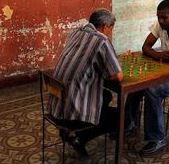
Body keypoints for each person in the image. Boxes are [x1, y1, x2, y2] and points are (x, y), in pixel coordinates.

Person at [48, 8, 123, 157]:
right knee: (121, 117)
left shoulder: (76, 32)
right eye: (111, 29)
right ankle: (79, 137)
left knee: (106, 95)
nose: (110, 32)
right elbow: (117, 76)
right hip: (70, 114)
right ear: (105, 27)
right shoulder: (101, 40)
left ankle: (74, 130)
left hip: (56, 107)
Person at [126, 0, 169, 155]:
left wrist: (156, 55)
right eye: (159, 17)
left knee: (152, 90)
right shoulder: (160, 24)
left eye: (164, 18)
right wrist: (161, 55)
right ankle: (128, 124)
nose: (161, 21)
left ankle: (157, 138)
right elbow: (145, 47)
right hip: (163, 71)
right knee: (136, 83)